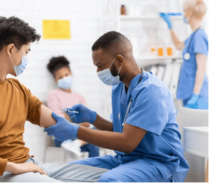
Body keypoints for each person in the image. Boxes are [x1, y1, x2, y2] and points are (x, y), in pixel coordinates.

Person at [0, 16, 107, 183]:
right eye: (25, 52)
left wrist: (113, 136)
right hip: (2, 175)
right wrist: (12, 166)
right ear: (10, 50)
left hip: (30, 165)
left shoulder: (18, 89)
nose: (25, 59)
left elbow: (56, 122)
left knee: (106, 177)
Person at [45, 31, 190, 183]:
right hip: (127, 160)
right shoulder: (119, 88)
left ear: (119, 60)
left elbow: (127, 142)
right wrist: (94, 118)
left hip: (159, 164)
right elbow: (120, 131)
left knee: (109, 180)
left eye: (100, 66)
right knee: (64, 171)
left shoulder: (152, 91)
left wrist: (75, 131)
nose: (98, 72)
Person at [160, 0, 209, 109]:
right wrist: (170, 26)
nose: (183, 15)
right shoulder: (194, 36)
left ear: (189, 13)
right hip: (189, 93)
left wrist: (195, 95)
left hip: (198, 96)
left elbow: (201, 68)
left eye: (183, 11)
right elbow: (178, 45)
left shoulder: (199, 37)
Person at [47, 56, 99, 159]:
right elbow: (58, 118)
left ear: (71, 74)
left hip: (80, 137)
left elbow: (88, 122)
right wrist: (78, 118)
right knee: (93, 138)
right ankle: (77, 145)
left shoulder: (80, 97)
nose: (64, 78)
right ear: (55, 80)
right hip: (63, 137)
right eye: (60, 77)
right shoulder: (53, 94)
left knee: (98, 131)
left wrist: (68, 116)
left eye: (66, 75)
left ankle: (77, 144)